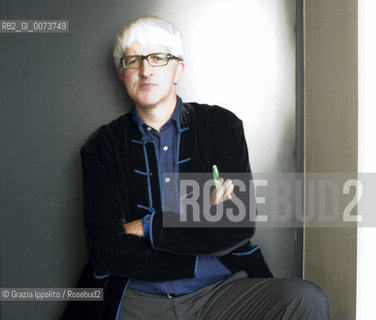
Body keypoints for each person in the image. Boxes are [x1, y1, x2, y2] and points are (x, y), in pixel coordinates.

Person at [62, 16, 330, 320]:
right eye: (133, 60)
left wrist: (147, 227)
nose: (146, 70)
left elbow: (238, 227)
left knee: (305, 299)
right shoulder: (102, 146)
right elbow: (106, 249)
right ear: (122, 74)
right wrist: (202, 221)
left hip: (220, 293)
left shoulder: (221, 127)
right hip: (139, 299)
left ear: (179, 69)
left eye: (158, 58)